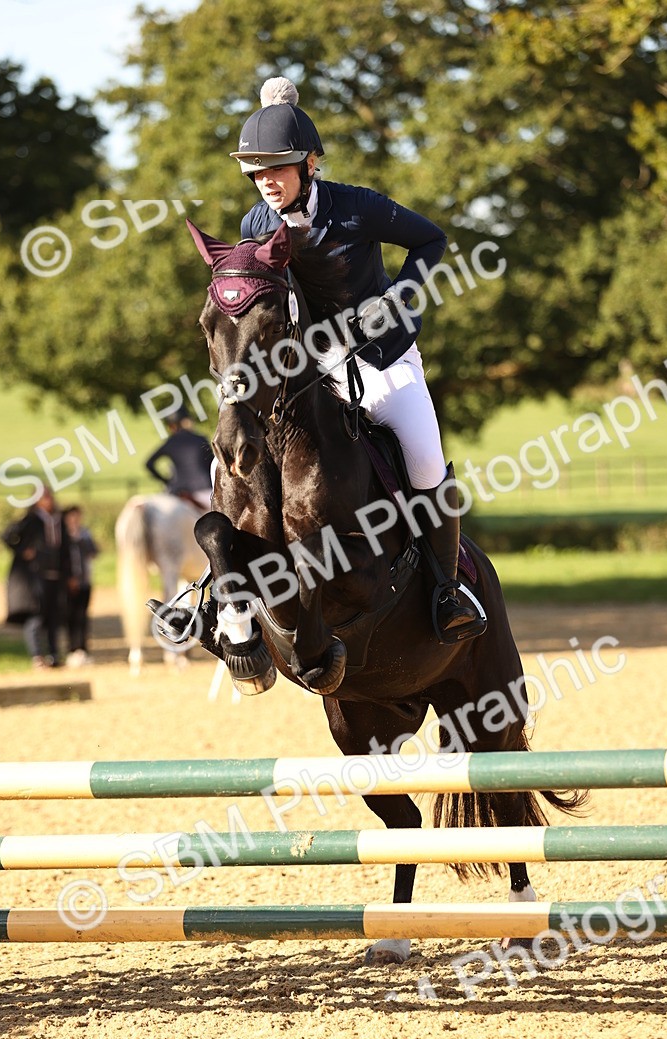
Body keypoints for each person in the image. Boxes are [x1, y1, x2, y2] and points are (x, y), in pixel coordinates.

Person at [229, 77, 486, 644]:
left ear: (310, 163)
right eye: (257, 172)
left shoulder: (357, 207)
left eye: (278, 168)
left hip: (382, 362)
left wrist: (399, 297)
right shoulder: (255, 226)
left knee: (424, 459)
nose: (266, 182)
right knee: (252, 457)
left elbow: (432, 240)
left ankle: (448, 590)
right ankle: (220, 593)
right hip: (313, 373)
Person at [1, 485, 72, 668]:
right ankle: (37, 655)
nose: (48, 500)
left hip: (56, 575)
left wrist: (70, 573)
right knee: (36, 616)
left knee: (54, 616)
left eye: (49, 496)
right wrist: (22, 550)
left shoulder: (59, 520)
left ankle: (54, 655)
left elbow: (66, 549)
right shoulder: (31, 519)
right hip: (35, 576)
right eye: (44, 497)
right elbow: (7, 535)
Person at [144, 407, 214, 510]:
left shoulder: (171, 442)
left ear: (172, 426)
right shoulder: (201, 439)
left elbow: (149, 463)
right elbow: (212, 464)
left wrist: (166, 481)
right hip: (205, 490)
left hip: (179, 492)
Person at [62, 505, 99, 667]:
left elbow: (94, 552)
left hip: (84, 580)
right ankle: (72, 649)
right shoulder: (62, 535)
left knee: (82, 617)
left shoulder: (84, 534)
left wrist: (81, 539)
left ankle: (82, 649)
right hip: (68, 583)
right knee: (70, 617)